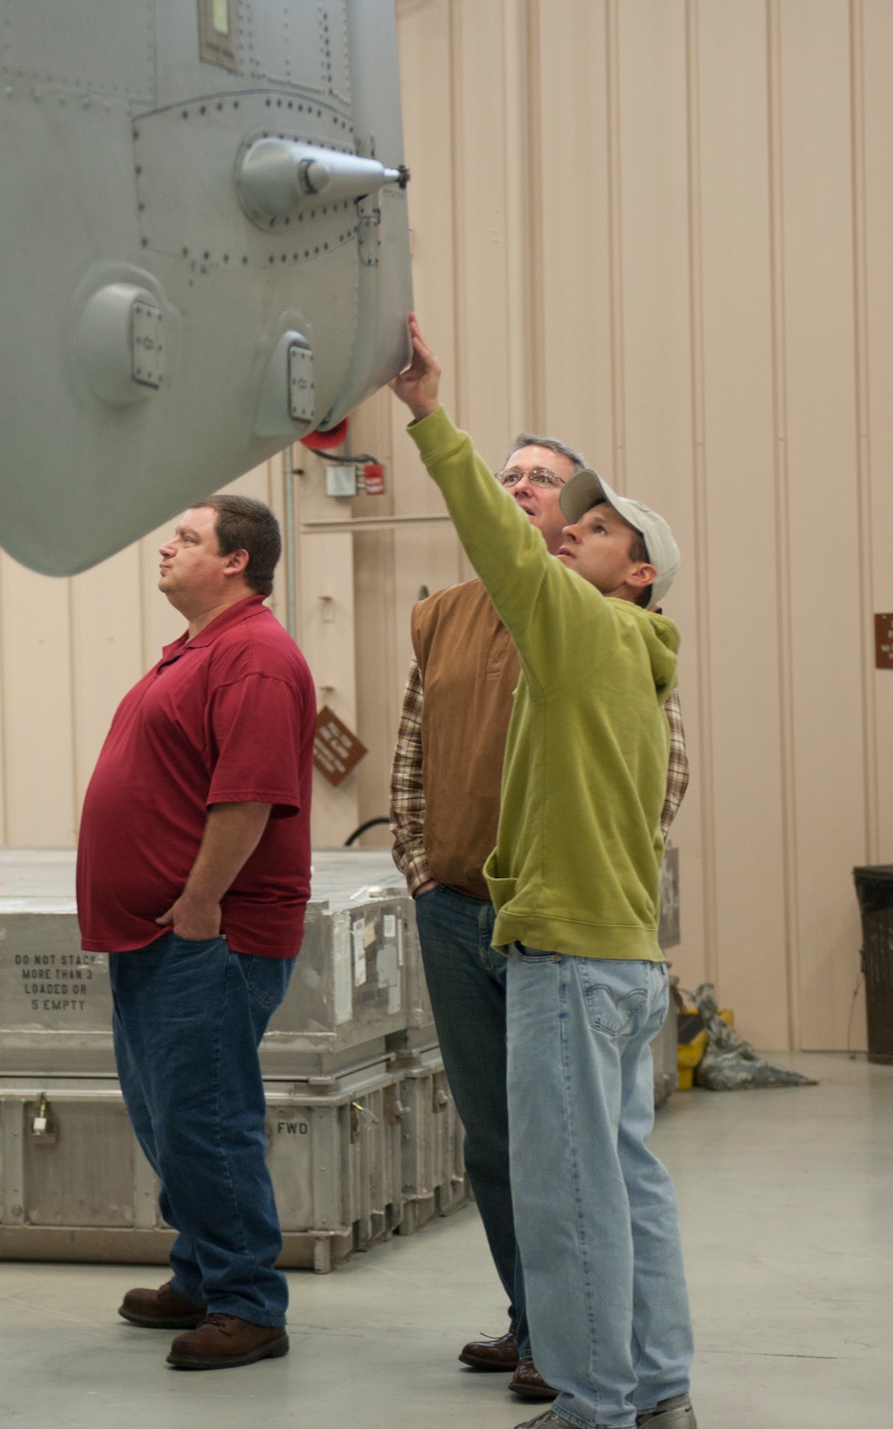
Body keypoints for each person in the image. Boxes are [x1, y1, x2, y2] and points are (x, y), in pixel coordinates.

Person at [391, 316, 697, 1429]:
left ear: (638, 571)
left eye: (596, 523)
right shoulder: (637, 660)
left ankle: (589, 1405)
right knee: (626, 1185)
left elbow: (498, 538)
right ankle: (658, 1387)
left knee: (565, 1194)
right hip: (615, 958)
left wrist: (426, 414)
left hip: (561, 962)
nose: (566, 531)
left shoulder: (577, 628)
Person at [77, 494, 316, 1372]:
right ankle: (205, 1271)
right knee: (168, 1113)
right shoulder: (202, 650)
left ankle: (249, 1301)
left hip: (210, 934)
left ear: (236, 562)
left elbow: (247, 794)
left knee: (207, 1117)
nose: (166, 546)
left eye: (188, 537)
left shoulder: (252, 654)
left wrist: (202, 901)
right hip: (161, 933)